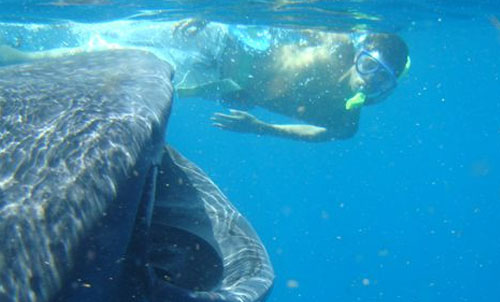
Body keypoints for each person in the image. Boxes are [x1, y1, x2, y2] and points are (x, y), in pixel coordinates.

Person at [0, 21, 410, 142]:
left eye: (383, 83)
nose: (369, 83)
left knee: (130, 65)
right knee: (125, 31)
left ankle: (26, 61)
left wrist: (262, 128)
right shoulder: (336, 39)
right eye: (370, 67)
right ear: (361, 52)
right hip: (225, 38)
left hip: (222, 83)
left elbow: (316, 133)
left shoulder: (346, 119)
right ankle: (22, 57)